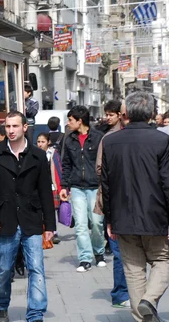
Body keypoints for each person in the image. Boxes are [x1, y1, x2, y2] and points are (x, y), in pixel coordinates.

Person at [0, 111, 56, 322]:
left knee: (36, 268)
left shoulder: (38, 156)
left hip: (31, 219)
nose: (11, 130)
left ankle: (35, 313)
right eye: (7, 127)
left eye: (15, 126)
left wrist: (49, 224)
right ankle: (1, 306)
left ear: (25, 128)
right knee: (3, 270)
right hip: (3, 219)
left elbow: (45, 193)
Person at [102, 92, 169, 322]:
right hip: (156, 215)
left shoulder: (110, 141)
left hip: (122, 216)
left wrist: (109, 219)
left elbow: (106, 185)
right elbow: (167, 182)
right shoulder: (162, 141)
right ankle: (149, 300)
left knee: (133, 270)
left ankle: (143, 317)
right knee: (163, 260)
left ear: (126, 114)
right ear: (152, 114)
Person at [92, 99, 130, 309]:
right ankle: (120, 293)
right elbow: (100, 169)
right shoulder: (109, 138)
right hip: (114, 198)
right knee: (118, 250)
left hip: (134, 201)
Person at [59, 105, 106, 272]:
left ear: (80, 121)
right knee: (80, 225)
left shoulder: (99, 137)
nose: (68, 123)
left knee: (96, 223)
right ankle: (85, 259)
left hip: (95, 187)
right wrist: (64, 186)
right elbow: (66, 164)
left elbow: (105, 164)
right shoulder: (69, 139)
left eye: (70, 120)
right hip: (77, 187)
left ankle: (99, 253)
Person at [36, 132, 62, 244]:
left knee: (51, 209)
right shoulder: (35, 154)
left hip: (52, 185)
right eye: (38, 142)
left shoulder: (53, 154)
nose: (40, 144)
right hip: (39, 185)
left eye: (43, 142)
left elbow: (58, 170)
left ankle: (53, 231)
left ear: (48, 142)